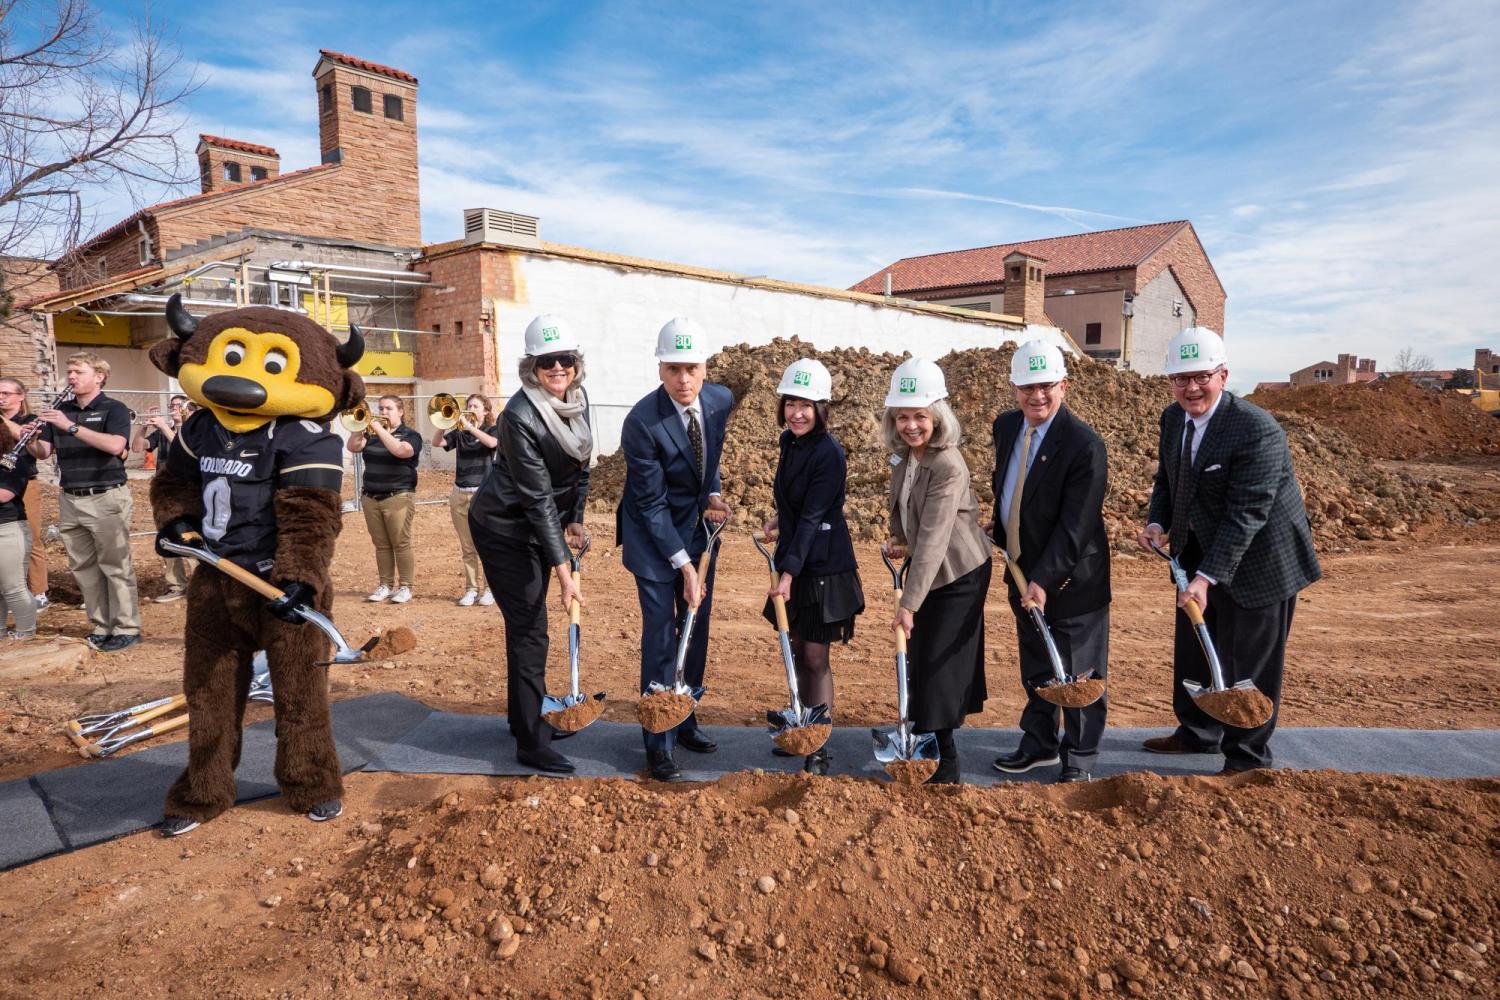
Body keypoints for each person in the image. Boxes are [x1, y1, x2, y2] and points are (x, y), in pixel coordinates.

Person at [148, 295, 365, 835]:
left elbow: (312, 517)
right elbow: (174, 484)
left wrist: (299, 580)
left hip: (280, 583)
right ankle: (204, 791)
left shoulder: (307, 436)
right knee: (210, 693)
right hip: (215, 581)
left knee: (299, 696)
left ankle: (313, 782)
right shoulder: (200, 428)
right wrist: (176, 523)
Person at [1135, 327, 1321, 774]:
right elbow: (1169, 479)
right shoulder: (1173, 418)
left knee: (1249, 665)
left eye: (1201, 377)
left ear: (1223, 375)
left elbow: (1247, 515)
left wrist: (1204, 579)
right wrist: (1157, 522)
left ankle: (1248, 757)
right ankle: (1197, 733)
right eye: (1181, 378)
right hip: (1199, 548)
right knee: (1196, 646)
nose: (1191, 387)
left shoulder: (1256, 430)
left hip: (1261, 561)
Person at [469, 315, 591, 774]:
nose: (557, 368)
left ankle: (525, 714)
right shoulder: (520, 417)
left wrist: (576, 519)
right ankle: (529, 739)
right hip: (503, 528)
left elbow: (583, 466)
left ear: (576, 365)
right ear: (532, 367)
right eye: (547, 362)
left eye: (565, 360)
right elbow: (537, 498)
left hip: (542, 526)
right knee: (530, 627)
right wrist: (564, 574)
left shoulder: (577, 401)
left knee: (527, 628)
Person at [989, 337, 1111, 783]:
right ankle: (1039, 744)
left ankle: (1079, 757)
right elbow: (1011, 488)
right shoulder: (1006, 427)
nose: (1036, 396)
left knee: (1078, 673)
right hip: (1021, 571)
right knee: (1038, 666)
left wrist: (1042, 579)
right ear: (1013, 387)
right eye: (1027, 387)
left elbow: (1076, 528)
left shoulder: (1084, 445)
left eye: (1046, 386)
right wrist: (1000, 530)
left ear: (1064, 385)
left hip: (1071, 579)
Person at [619, 317, 732, 783]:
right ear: (660, 369)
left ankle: (685, 717)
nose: (683, 379)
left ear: (705, 368)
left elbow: (709, 460)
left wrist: (714, 494)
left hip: (698, 532)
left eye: (691, 368)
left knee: (695, 628)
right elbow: (650, 503)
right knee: (662, 635)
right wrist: (683, 566)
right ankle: (657, 742)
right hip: (652, 540)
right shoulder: (642, 422)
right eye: (673, 369)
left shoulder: (719, 400)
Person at [882, 358, 991, 784]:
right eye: (903, 416)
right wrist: (897, 538)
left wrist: (908, 604)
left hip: (959, 573)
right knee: (925, 661)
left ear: (937, 416)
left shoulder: (949, 464)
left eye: (920, 416)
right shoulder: (904, 457)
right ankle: (927, 746)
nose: (911, 425)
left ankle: (946, 768)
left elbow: (935, 539)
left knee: (939, 664)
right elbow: (906, 508)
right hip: (929, 567)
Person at [761, 358, 863, 775]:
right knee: (798, 649)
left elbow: (813, 515)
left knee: (816, 657)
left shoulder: (829, 453)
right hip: (798, 553)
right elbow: (795, 506)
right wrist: (777, 519)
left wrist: (786, 575)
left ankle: (817, 746)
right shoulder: (790, 442)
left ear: (822, 409)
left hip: (822, 567)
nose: (797, 413)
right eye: (791, 403)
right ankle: (802, 725)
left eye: (806, 405)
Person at [27, 353, 141, 652]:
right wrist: (29, 438)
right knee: (83, 568)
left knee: (115, 566)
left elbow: (117, 446)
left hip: (105, 496)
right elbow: (43, 453)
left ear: (99, 376)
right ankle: (102, 626)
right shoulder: (60, 410)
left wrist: (71, 427)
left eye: (78, 371)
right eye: (69, 371)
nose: (71, 377)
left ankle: (127, 627)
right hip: (70, 497)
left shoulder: (113, 409)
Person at [347, 395, 423, 603]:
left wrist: (379, 429)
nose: (383, 412)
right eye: (380, 408)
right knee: (381, 544)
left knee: (401, 542)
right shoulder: (371, 434)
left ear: (401, 412)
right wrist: (359, 426)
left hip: (398, 495)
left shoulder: (411, 435)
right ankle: (385, 585)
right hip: (371, 496)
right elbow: (353, 447)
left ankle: (406, 586)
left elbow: (401, 451)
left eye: (389, 408)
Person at [432, 393, 498, 606]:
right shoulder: (459, 433)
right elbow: (437, 442)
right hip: (459, 492)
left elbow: (492, 444)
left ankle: (490, 590)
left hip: (483, 494)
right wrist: (443, 422)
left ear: (485, 411)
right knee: (467, 547)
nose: (470, 408)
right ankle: (471, 589)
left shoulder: (491, 429)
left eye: (475, 406)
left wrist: (470, 427)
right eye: (468, 405)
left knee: (486, 545)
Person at [133, 394, 192, 602]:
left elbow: (182, 448)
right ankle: (177, 585)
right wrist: (143, 426)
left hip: (188, 492)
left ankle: (200, 582)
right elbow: (138, 448)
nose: (174, 409)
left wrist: (165, 427)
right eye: (172, 405)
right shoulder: (161, 431)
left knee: (192, 535)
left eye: (179, 405)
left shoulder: (191, 431)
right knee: (168, 536)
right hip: (165, 491)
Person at [0, 377, 47, 611]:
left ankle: (38, 591)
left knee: (32, 537)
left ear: (21, 396)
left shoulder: (30, 420)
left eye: (6, 393)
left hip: (25, 482)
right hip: (1, 485)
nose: (1, 397)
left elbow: (25, 438)